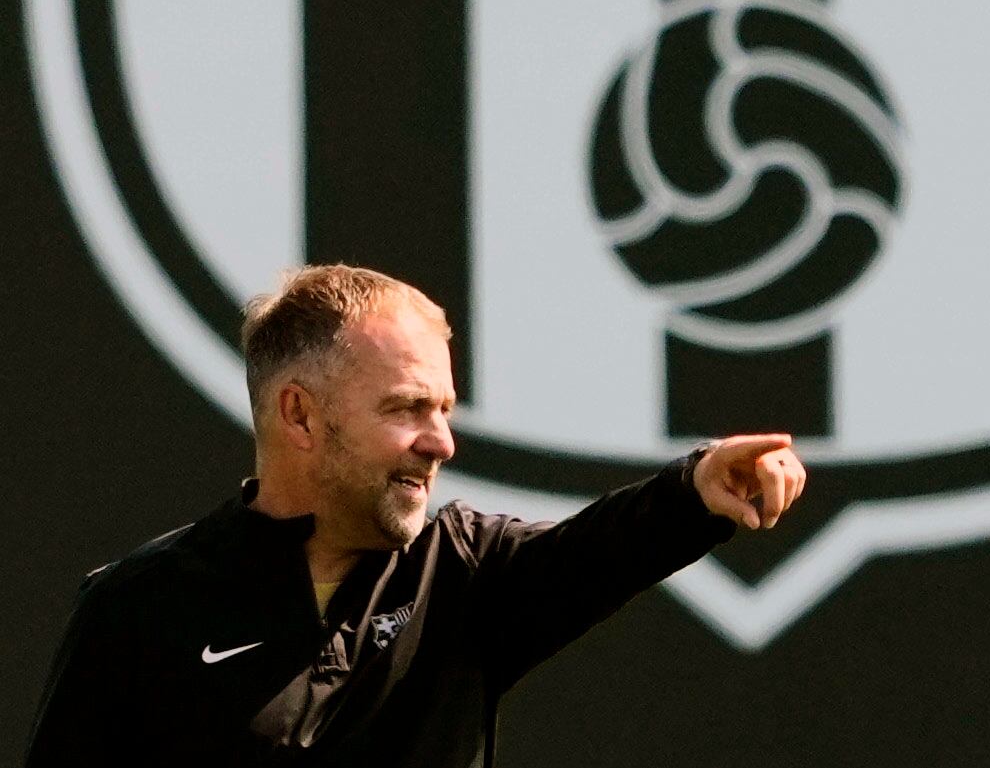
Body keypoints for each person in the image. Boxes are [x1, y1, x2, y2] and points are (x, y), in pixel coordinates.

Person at [25, 264, 806, 767]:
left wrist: (697, 487)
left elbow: (601, 549)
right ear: (299, 415)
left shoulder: (466, 574)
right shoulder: (135, 608)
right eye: (407, 409)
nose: (441, 442)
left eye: (445, 408)